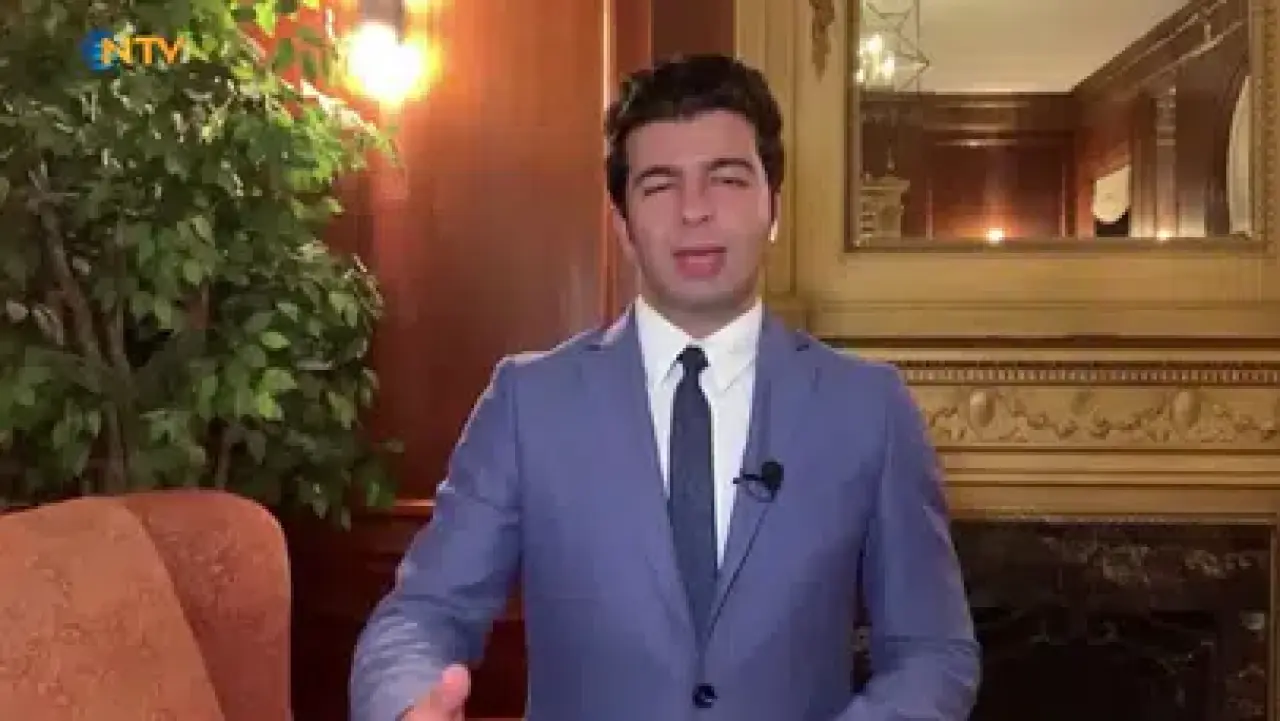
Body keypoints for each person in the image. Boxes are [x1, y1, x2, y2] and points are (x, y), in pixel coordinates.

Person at [349, 53, 980, 721]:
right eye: (659, 185)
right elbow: (421, 616)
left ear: (774, 206)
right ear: (622, 222)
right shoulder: (527, 405)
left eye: (727, 179)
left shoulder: (868, 409)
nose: (694, 211)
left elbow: (932, 651)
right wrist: (407, 704)